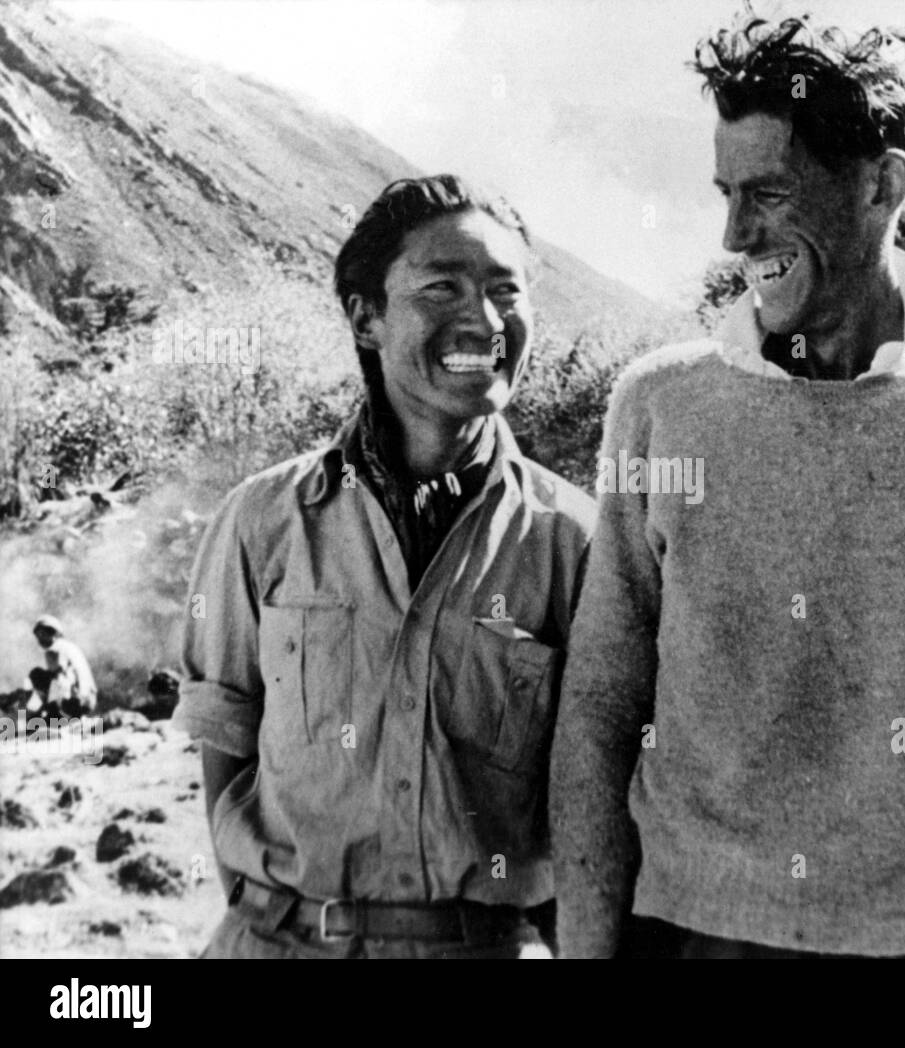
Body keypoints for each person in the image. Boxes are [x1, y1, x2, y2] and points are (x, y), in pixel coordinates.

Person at [550, 12, 905, 959]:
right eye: (726, 195)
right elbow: (603, 704)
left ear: (882, 184)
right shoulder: (659, 407)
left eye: (769, 193)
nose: (736, 233)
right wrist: (585, 945)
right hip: (698, 937)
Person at [175, 175, 595, 958]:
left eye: (506, 290)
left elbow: (598, 802)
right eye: (443, 287)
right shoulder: (262, 521)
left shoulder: (578, 544)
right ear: (366, 317)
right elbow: (223, 733)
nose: (484, 318)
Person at [31, 615, 97, 716]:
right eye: (38, 636)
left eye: (42, 635)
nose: (39, 640)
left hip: (76, 701)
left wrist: (46, 709)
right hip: (89, 700)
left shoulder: (54, 649)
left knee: (37, 674)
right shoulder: (69, 646)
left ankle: (54, 713)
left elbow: (59, 678)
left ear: (52, 633)